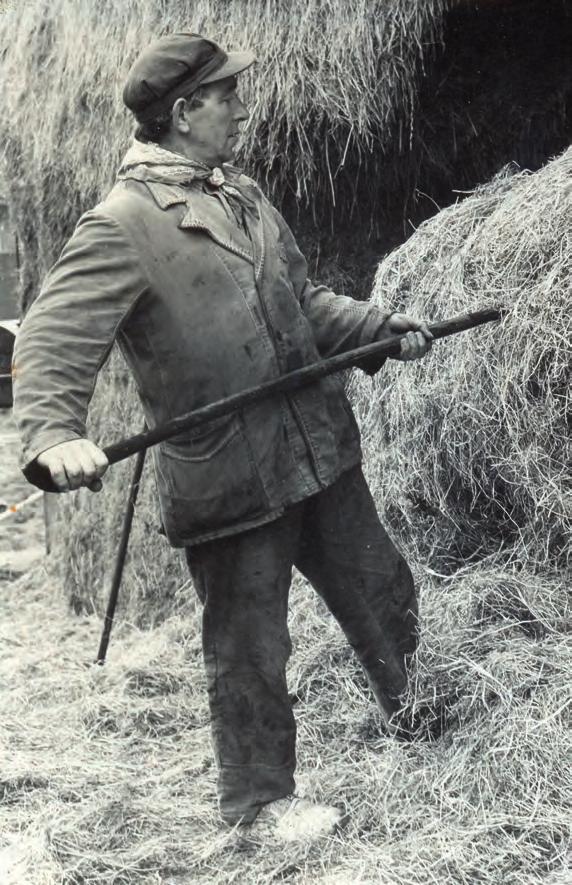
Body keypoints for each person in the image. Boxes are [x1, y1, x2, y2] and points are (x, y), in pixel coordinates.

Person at [12, 33, 434, 841]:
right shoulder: (123, 223)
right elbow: (51, 338)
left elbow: (300, 304)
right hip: (231, 476)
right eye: (226, 96)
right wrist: (53, 434)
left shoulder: (240, 196)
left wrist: (378, 328)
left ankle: (418, 711)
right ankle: (260, 804)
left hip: (315, 444)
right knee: (249, 648)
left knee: (382, 588)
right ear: (183, 113)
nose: (241, 108)